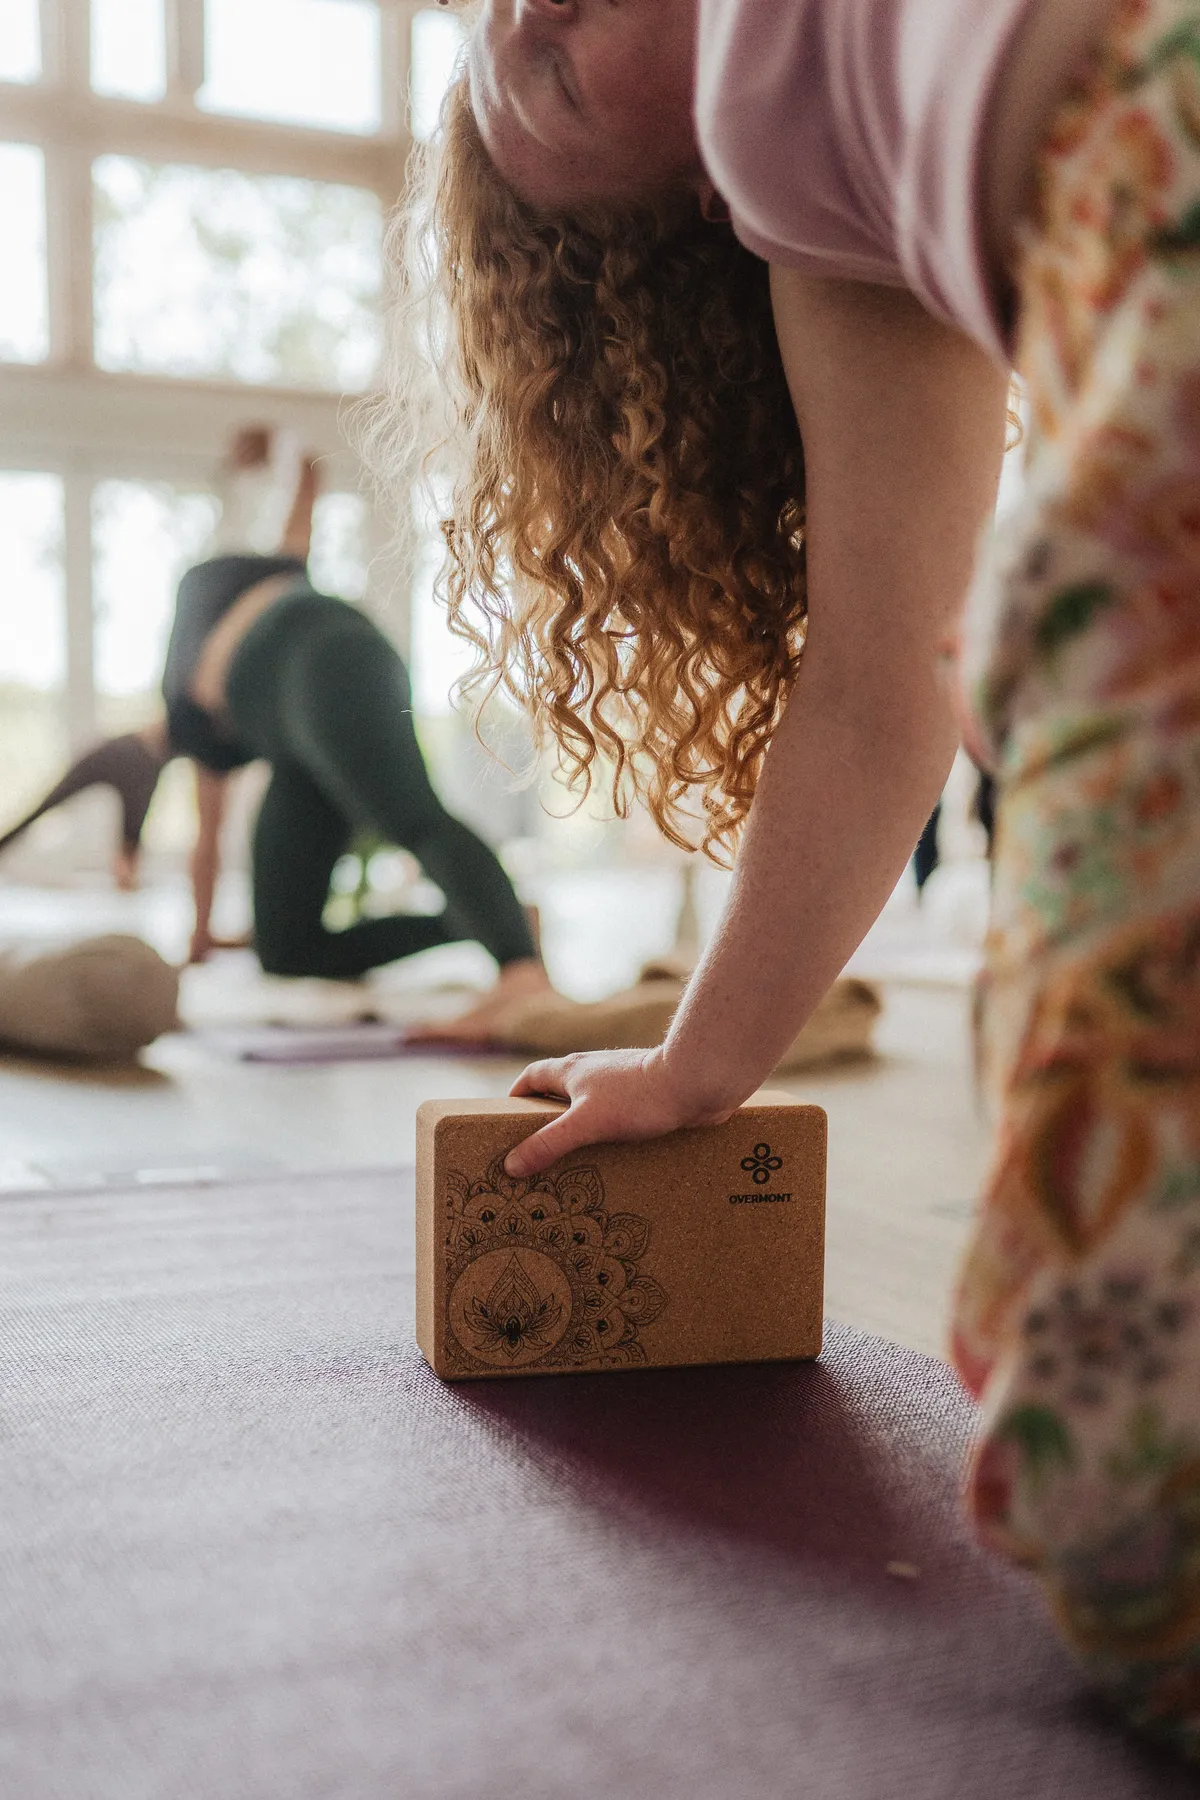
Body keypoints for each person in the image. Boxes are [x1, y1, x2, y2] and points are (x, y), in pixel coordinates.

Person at [366, 0, 1200, 1755]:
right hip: (1147, 228)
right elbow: (883, 684)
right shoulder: (815, 197)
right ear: (700, 202)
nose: (523, 15)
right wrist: (701, 1066)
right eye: (540, 77)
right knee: (1115, 1486)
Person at [2, 431, 550, 1028]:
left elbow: (306, 487)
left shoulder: (242, 596)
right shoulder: (200, 725)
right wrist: (201, 939)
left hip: (330, 660)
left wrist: (286, 448)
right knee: (286, 948)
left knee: (411, 818)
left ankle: (520, 970)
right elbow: (208, 836)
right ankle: (499, 918)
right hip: (297, 752)